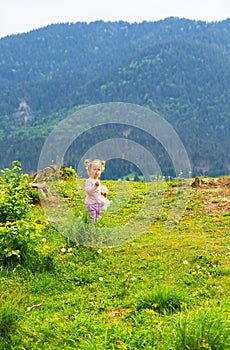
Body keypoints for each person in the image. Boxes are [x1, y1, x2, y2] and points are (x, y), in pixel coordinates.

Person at [84, 159, 105, 224]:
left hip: (97, 202)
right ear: (89, 171)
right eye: (94, 169)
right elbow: (88, 191)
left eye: (98, 170)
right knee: (92, 217)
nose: (96, 171)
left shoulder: (98, 181)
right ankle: (91, 228)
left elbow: (97, 192)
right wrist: (95, 187)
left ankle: (96, 227)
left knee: (97, 216)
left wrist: (102, 193)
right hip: (91, 203)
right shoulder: (89, 181)